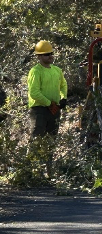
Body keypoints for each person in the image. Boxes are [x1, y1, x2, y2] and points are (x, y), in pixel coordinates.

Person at [27, 40, 68, 176]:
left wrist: (63, 98)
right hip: (39, 110)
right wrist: (48, 103)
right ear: (39, 57)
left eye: (51, 53)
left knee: (51, 140)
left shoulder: (57, 70)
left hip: (54, 110)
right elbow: (34, 92)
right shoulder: (35, 71)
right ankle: (30, 171)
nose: (50, 56)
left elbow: (63, 85)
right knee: (37, 139)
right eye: (46, 54)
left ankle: (49, 171)